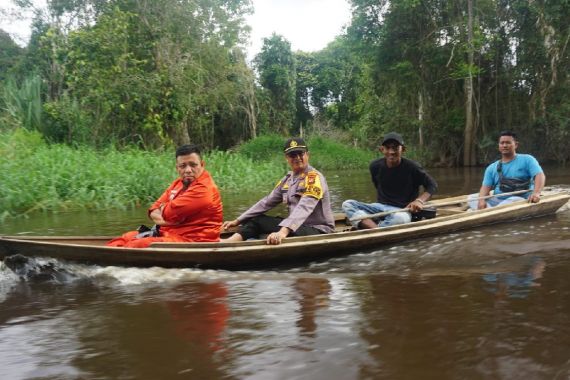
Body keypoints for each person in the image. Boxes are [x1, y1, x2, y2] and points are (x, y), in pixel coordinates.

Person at [222, 137, 335, 245]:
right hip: (296, 227)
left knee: (260, 223)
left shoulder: (314, 178)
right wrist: (238, 220)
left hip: (318, 230)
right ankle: (230, 242)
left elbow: (305, 207)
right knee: (256, 219)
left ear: (307, 155)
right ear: (286, 158)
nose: (297, 158)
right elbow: (266, 203)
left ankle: (230, 243)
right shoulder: (287, 180)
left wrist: (283, 232)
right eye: (292, 155)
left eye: (300, 154)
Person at [107, 144, 223, 248]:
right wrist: (170, 218)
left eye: (193, 165)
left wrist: (165, 212)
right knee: (126, 237)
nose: (188, 170)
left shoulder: (204, 188)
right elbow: (153, 210)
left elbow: (168, 213)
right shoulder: (177, 183)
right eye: (183, 166)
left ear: (202, 165)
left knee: (138, 244)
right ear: (177, 168)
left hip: (194, 240)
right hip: (168, 233)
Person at [342, 132, 438, 229]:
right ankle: (378, 228)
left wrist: (419, 201)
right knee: (348, 204)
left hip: (401, 210)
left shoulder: (412, 167)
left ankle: (367, 225)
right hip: (379, 207)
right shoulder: (375, 166)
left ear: (403, 149)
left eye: (395, 148)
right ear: (382, 149)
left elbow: (432, 185)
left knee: (401, 219)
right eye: (387, 148)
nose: (391, 152)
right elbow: (377, 185)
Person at [468, 130, 545, 210]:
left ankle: (487, 211)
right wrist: (481, 200)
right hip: (498, 200)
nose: (504, 145)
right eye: (502, 143)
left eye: (508, 143)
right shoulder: (491, 168)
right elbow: (485, 187)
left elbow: (539, 175)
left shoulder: (527, 159)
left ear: (516, 145)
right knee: (471, 198)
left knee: (513, 200)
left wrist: (536, 193)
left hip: (519, 199)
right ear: (499, 145)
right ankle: (491, 210)